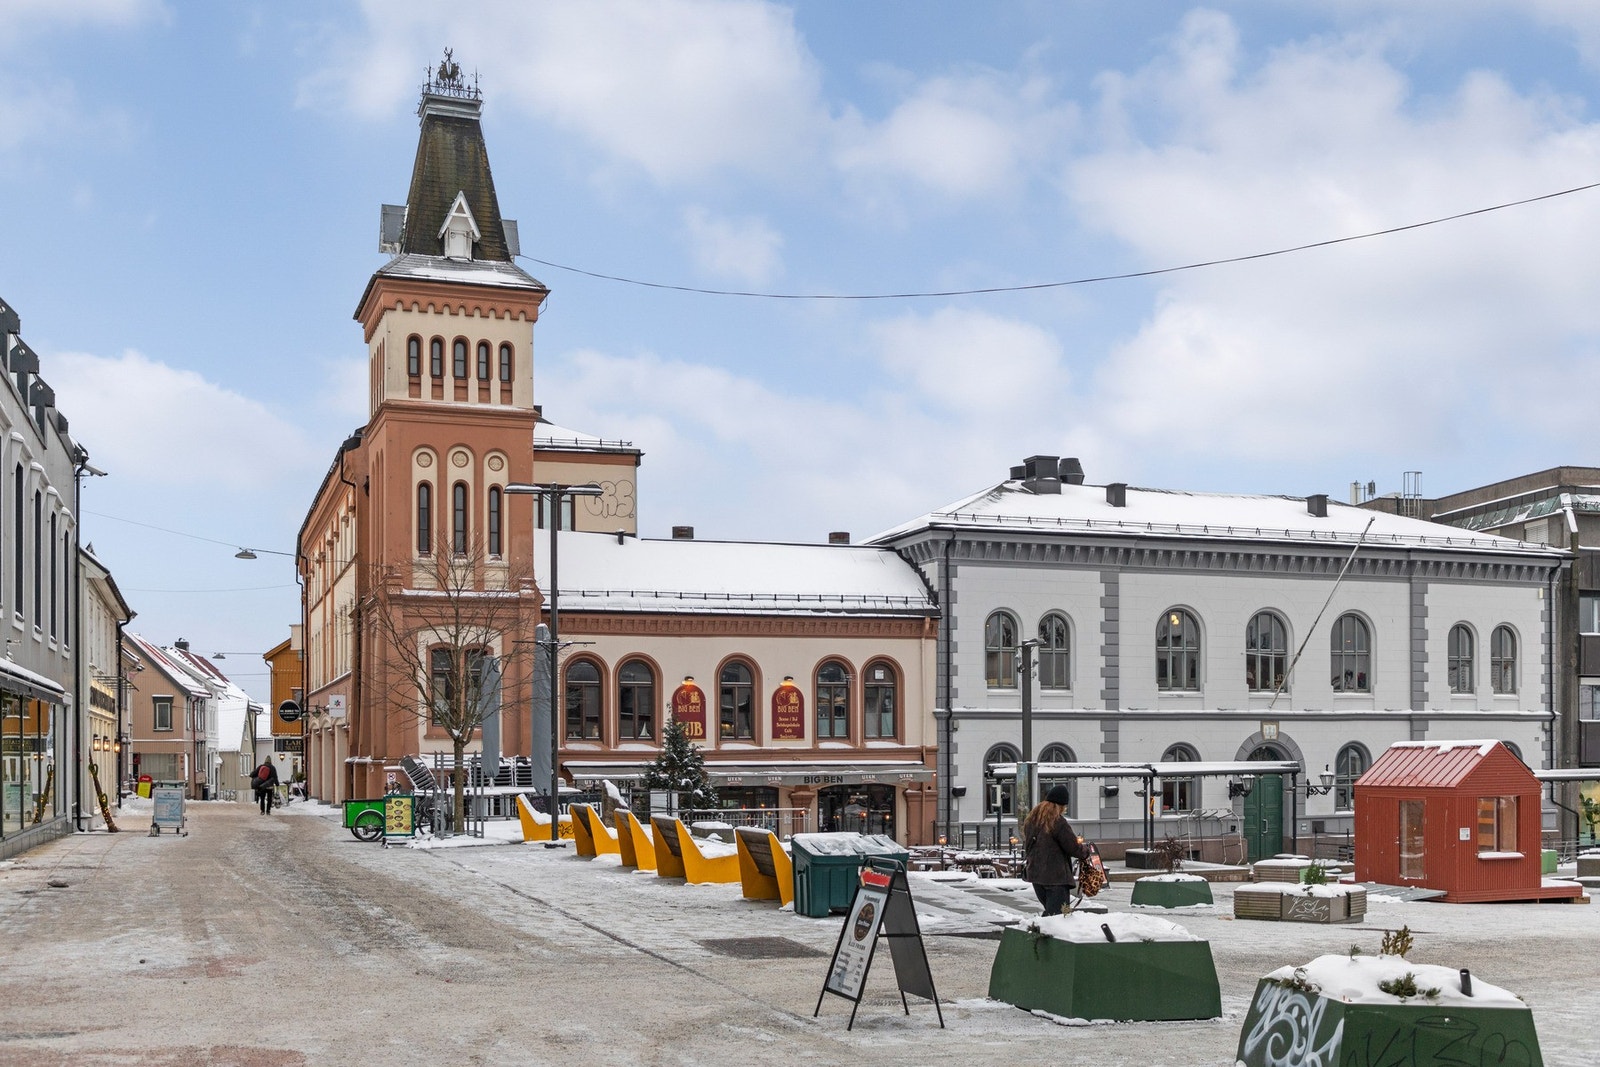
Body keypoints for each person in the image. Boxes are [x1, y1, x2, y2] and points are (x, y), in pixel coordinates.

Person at [1021, 783, 1090, 917]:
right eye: (1064, 807)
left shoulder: (1032, 820)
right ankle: (1041, 934)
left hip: (1036, 877)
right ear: (1061, 805)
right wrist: (1085, 851)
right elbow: (1073, 847)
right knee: (1061, 916)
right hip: (1056, 879)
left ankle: (1040, 931)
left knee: (1052, 913)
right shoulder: (1058, 822)